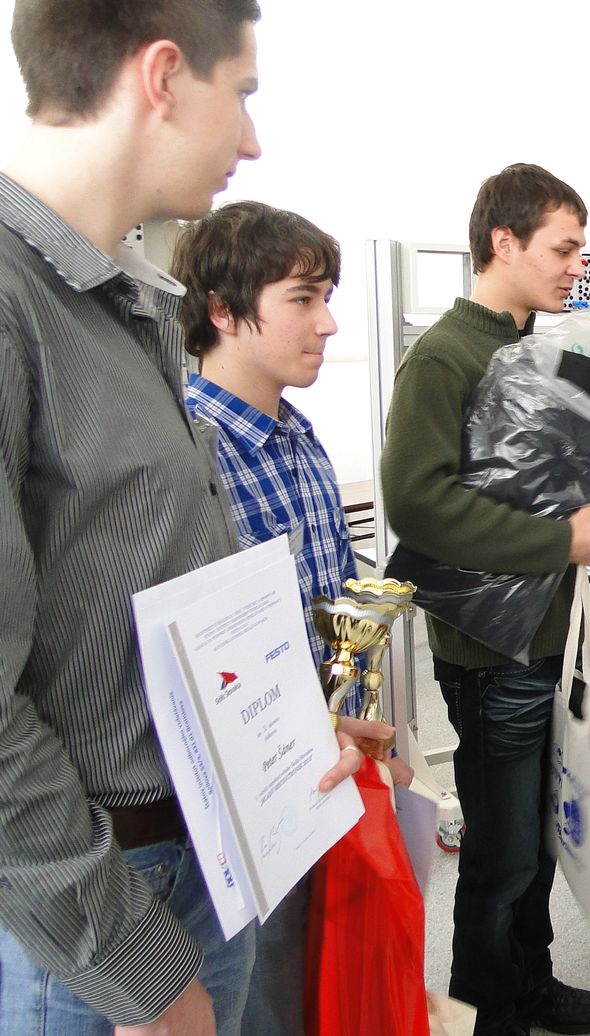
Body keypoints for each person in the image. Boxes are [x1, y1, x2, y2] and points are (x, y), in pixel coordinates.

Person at [0, 3, 386, 1035]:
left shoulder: (126, 304)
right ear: (163, 76)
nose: (250, 140)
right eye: (243, 94)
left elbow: (138, 610)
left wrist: (282, 728)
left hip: (200, 851)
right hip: (95, 907)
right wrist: (134, 966)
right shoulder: (13, 302)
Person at [380, 163, 590, 1036]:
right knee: (501, 857)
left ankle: (529, 983)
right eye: (564, 248)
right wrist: (558, 545)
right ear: (502, 242)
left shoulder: (541, 354)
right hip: (489, 654)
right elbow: (419, 504)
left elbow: (540, 491)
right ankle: (483, 1015)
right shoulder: (445, 356)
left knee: (537, 842)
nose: (578, 266)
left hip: (550, 635)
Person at [174, 200, 385, 1036]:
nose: (327, 323)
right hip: (243, 806)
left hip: (325, 770)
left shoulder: (298, 437)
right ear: (223, 310)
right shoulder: (186, 452)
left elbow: (332, 605)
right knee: (255, 1000)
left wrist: (364, 728)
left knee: (311, 991)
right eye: (303, 299)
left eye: (326, 297)